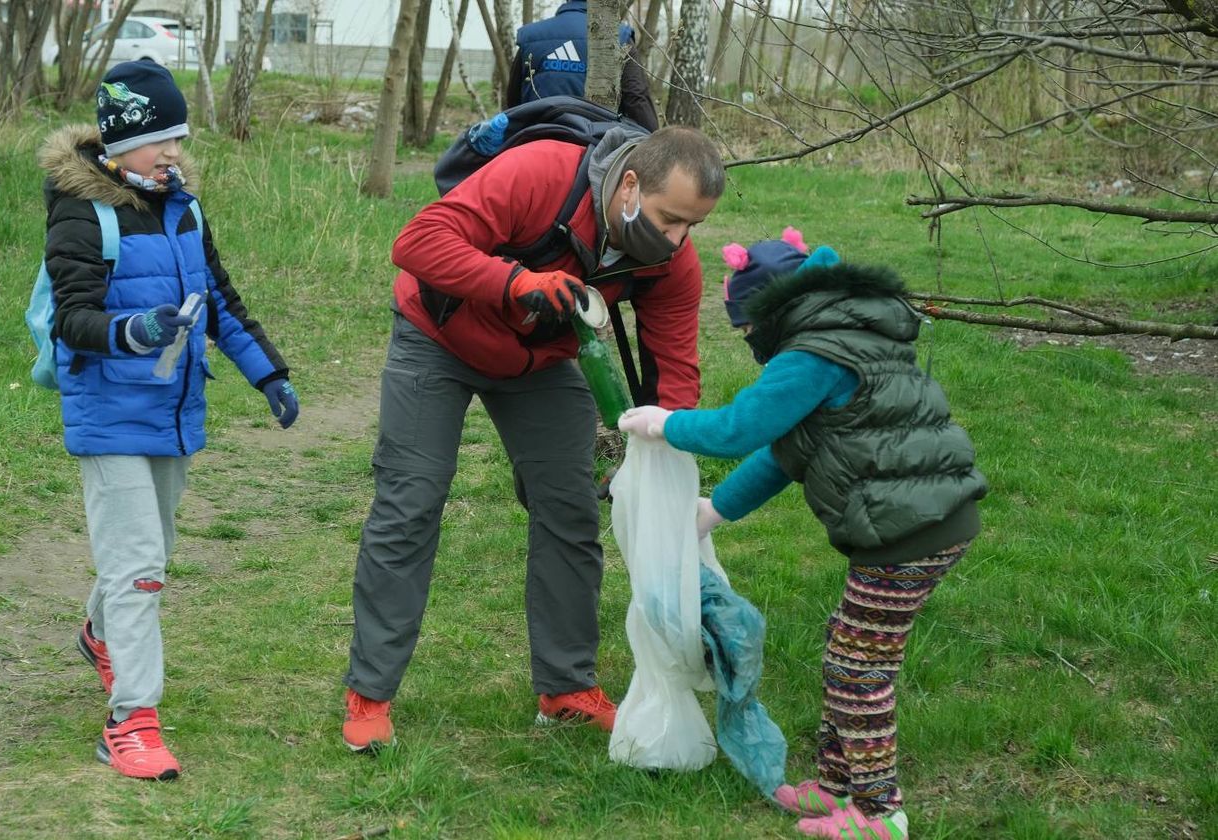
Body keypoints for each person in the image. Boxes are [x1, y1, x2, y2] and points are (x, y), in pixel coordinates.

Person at [341, 125, 725, 751]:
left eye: (692, 226)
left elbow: (674, 371)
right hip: (436, 335)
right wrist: (516, 281)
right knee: (412, 499)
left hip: (537, 366)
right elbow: (417, 241)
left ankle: (567, 687)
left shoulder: (670, 263)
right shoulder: (543, 173)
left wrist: (664, 454)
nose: (678, 240)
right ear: (629, 185)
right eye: (668, 218)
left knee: (570, 507)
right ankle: (370, 689)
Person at [617, 228, 987, 840]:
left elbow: (740, 429)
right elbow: (786, 452)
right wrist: (715, 512)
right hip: (919, 520)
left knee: (857, 669)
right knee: (847, 649)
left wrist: (668, 423)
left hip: (909, 532)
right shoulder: (847, 338)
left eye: (744, 329)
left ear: (770, 312)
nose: (746, 341)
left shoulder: (812, 355)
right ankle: (837, 787)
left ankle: (878, 814)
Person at [41, 59, 299, 781]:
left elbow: (220, 300)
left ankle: (100, 637)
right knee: (140, 569)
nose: (173, 151)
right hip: (109, 415)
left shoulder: (183, 205)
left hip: (173, 415)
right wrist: (137, 330)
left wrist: (268, 373)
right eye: (159, 137)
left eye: (178, 136)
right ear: (121, 140)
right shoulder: (79, 208)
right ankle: (131, 720)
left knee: (147, 550)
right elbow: (73, 320)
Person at [506, 0, 659, 132]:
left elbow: (513, 102)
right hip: (594, 151)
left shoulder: (531, 37)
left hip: (535, 144)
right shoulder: (618, 36)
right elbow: (637, 100)